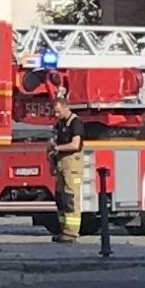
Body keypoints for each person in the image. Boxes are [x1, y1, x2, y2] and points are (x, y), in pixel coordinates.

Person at [47, 96, 84, 244]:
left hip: (72, 164)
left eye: (58, 111)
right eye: (54, 112)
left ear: (66, 107)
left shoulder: (75, 122)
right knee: (61, 199)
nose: (56, 115)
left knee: (70, 199)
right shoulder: (60, 123)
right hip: (61, 163)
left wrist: (56, 148)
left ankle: (71, 233)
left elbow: (75, 145)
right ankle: (63, 230)